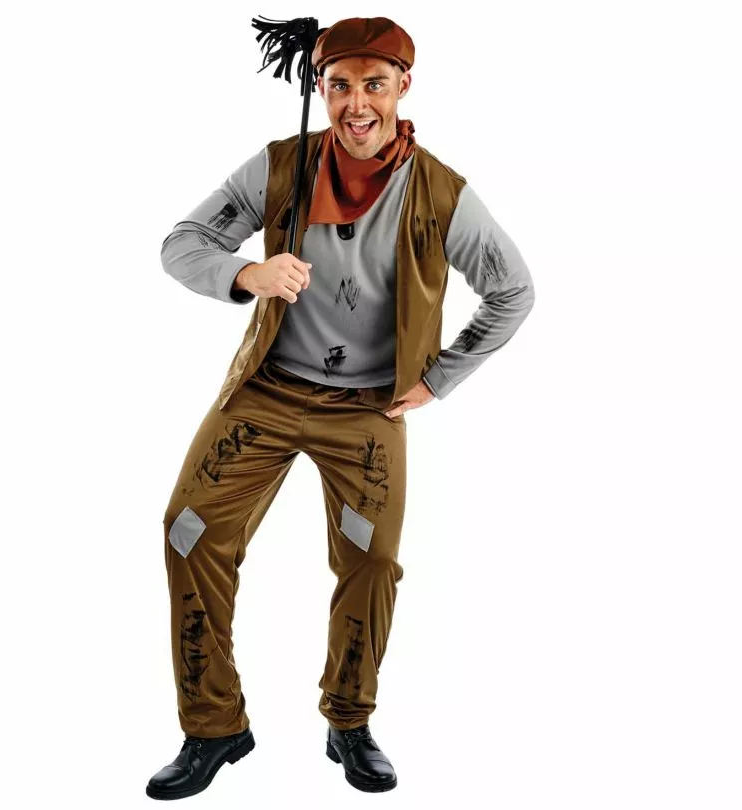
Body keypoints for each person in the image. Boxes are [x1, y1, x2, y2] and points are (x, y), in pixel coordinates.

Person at [146, 16, 535, 799]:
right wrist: (246, 275)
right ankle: (214, 727)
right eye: (340, 86)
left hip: (367, 411)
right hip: (266, 393)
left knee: (372, 561)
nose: (357, 105)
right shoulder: (279, 166)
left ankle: (349, 721)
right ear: (320, 89)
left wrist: (440, 379)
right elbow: (181, 243)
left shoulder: (442, 193)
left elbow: (513, 290)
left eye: (374, 85)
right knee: (189, 531)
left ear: (403, 87)